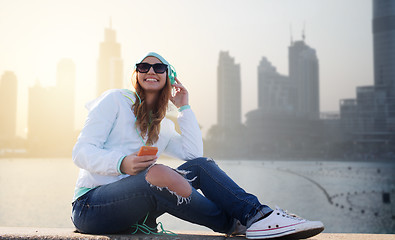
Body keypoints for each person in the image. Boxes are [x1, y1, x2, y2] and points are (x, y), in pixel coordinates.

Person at [71, 52, 324, 239]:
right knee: (158, 175)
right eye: (144, 66)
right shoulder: (115, 100)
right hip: (91, 207)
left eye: (159, 67)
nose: (151, 70)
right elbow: (81, 151)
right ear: (136, 74)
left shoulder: (164, 126)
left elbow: (194, 154)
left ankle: (255, 217)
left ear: (169, 77)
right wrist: (121, 163)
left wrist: (184, 107)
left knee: (201, 167)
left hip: (135, 209)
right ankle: (237, 224)